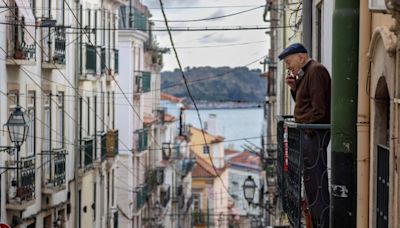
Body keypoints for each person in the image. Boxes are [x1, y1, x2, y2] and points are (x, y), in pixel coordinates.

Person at [279, 43, 331, 228]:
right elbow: (304, 103)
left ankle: (322, 223)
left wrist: (307, 128)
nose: (287, 66)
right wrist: (294, 88)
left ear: (301, 57)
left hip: (313, 135)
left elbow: (319, 109)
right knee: (311, 182)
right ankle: (317, 221)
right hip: (309, 133)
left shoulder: (315, 71)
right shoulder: (305, 74)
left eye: (289, 61)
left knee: (316, 182)